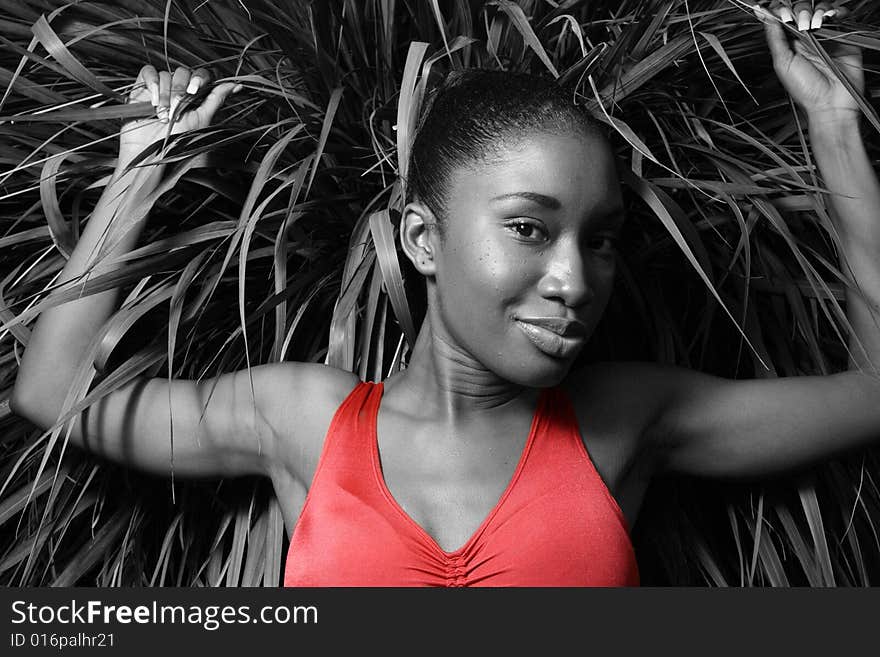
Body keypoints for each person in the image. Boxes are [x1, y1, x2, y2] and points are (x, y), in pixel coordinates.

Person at [10, 3, 880, 586]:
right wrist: (142, 171)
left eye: (601, 238)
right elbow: (52, 393)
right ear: (423, 240)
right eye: (529, 229)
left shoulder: (633, 418)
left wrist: (834, 123)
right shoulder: (300, 418)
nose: (575, 281)